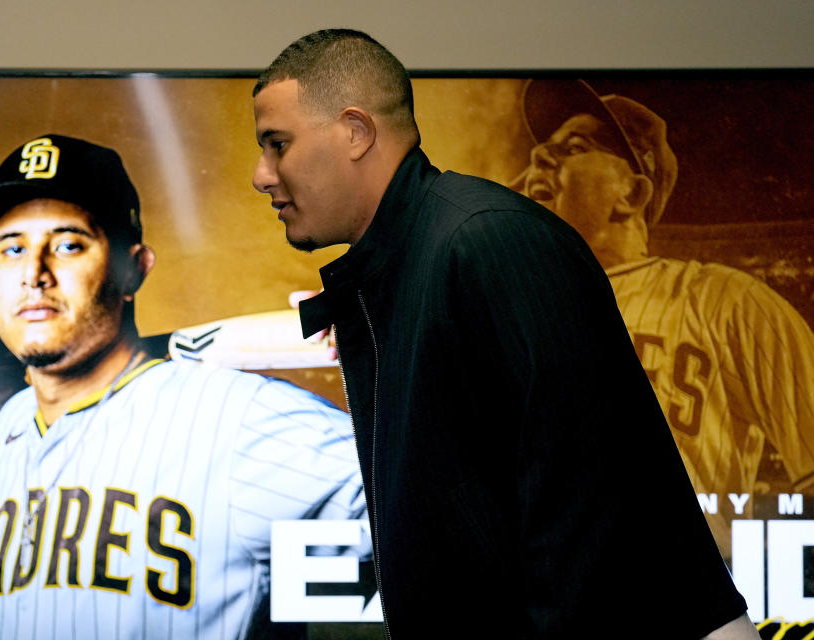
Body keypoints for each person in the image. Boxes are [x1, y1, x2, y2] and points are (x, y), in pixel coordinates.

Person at [251, 29, 758, 638]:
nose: (261, 174)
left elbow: (593, 533)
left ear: (356, 133)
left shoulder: (489, 244)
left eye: (277, 144)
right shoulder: (422, 260)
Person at [0, 134, 368, 640]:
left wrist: (411, 338)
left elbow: (435, 539)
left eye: (69, 244)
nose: (33, 274)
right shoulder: (12, 426)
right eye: (11, 249)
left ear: (134, 268)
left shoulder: (242, 423)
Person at [512, 78, 814, 560]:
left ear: (631, 194)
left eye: (573, 147)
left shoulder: (723, 301)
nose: (538, 161)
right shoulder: (502, 320)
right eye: (538, 154)